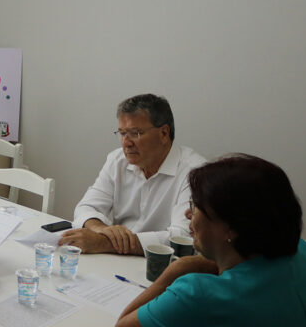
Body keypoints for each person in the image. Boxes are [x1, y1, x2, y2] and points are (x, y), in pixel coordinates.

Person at [115, 154, 306, 327]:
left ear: (230, 229)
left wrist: (177, 270)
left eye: (196, 206)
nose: (188, 214)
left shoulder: (199, 295)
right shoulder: (301, 253)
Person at [59, 94, 205, 255]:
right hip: (117, 260)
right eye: (122, 133)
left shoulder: (195, 171)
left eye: (135, 133)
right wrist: (100, 229)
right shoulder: (117, 160)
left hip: (162, 265)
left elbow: (183, 236)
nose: (126, 143)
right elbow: (86, 207)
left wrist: (104, 243)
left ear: (164, 133)